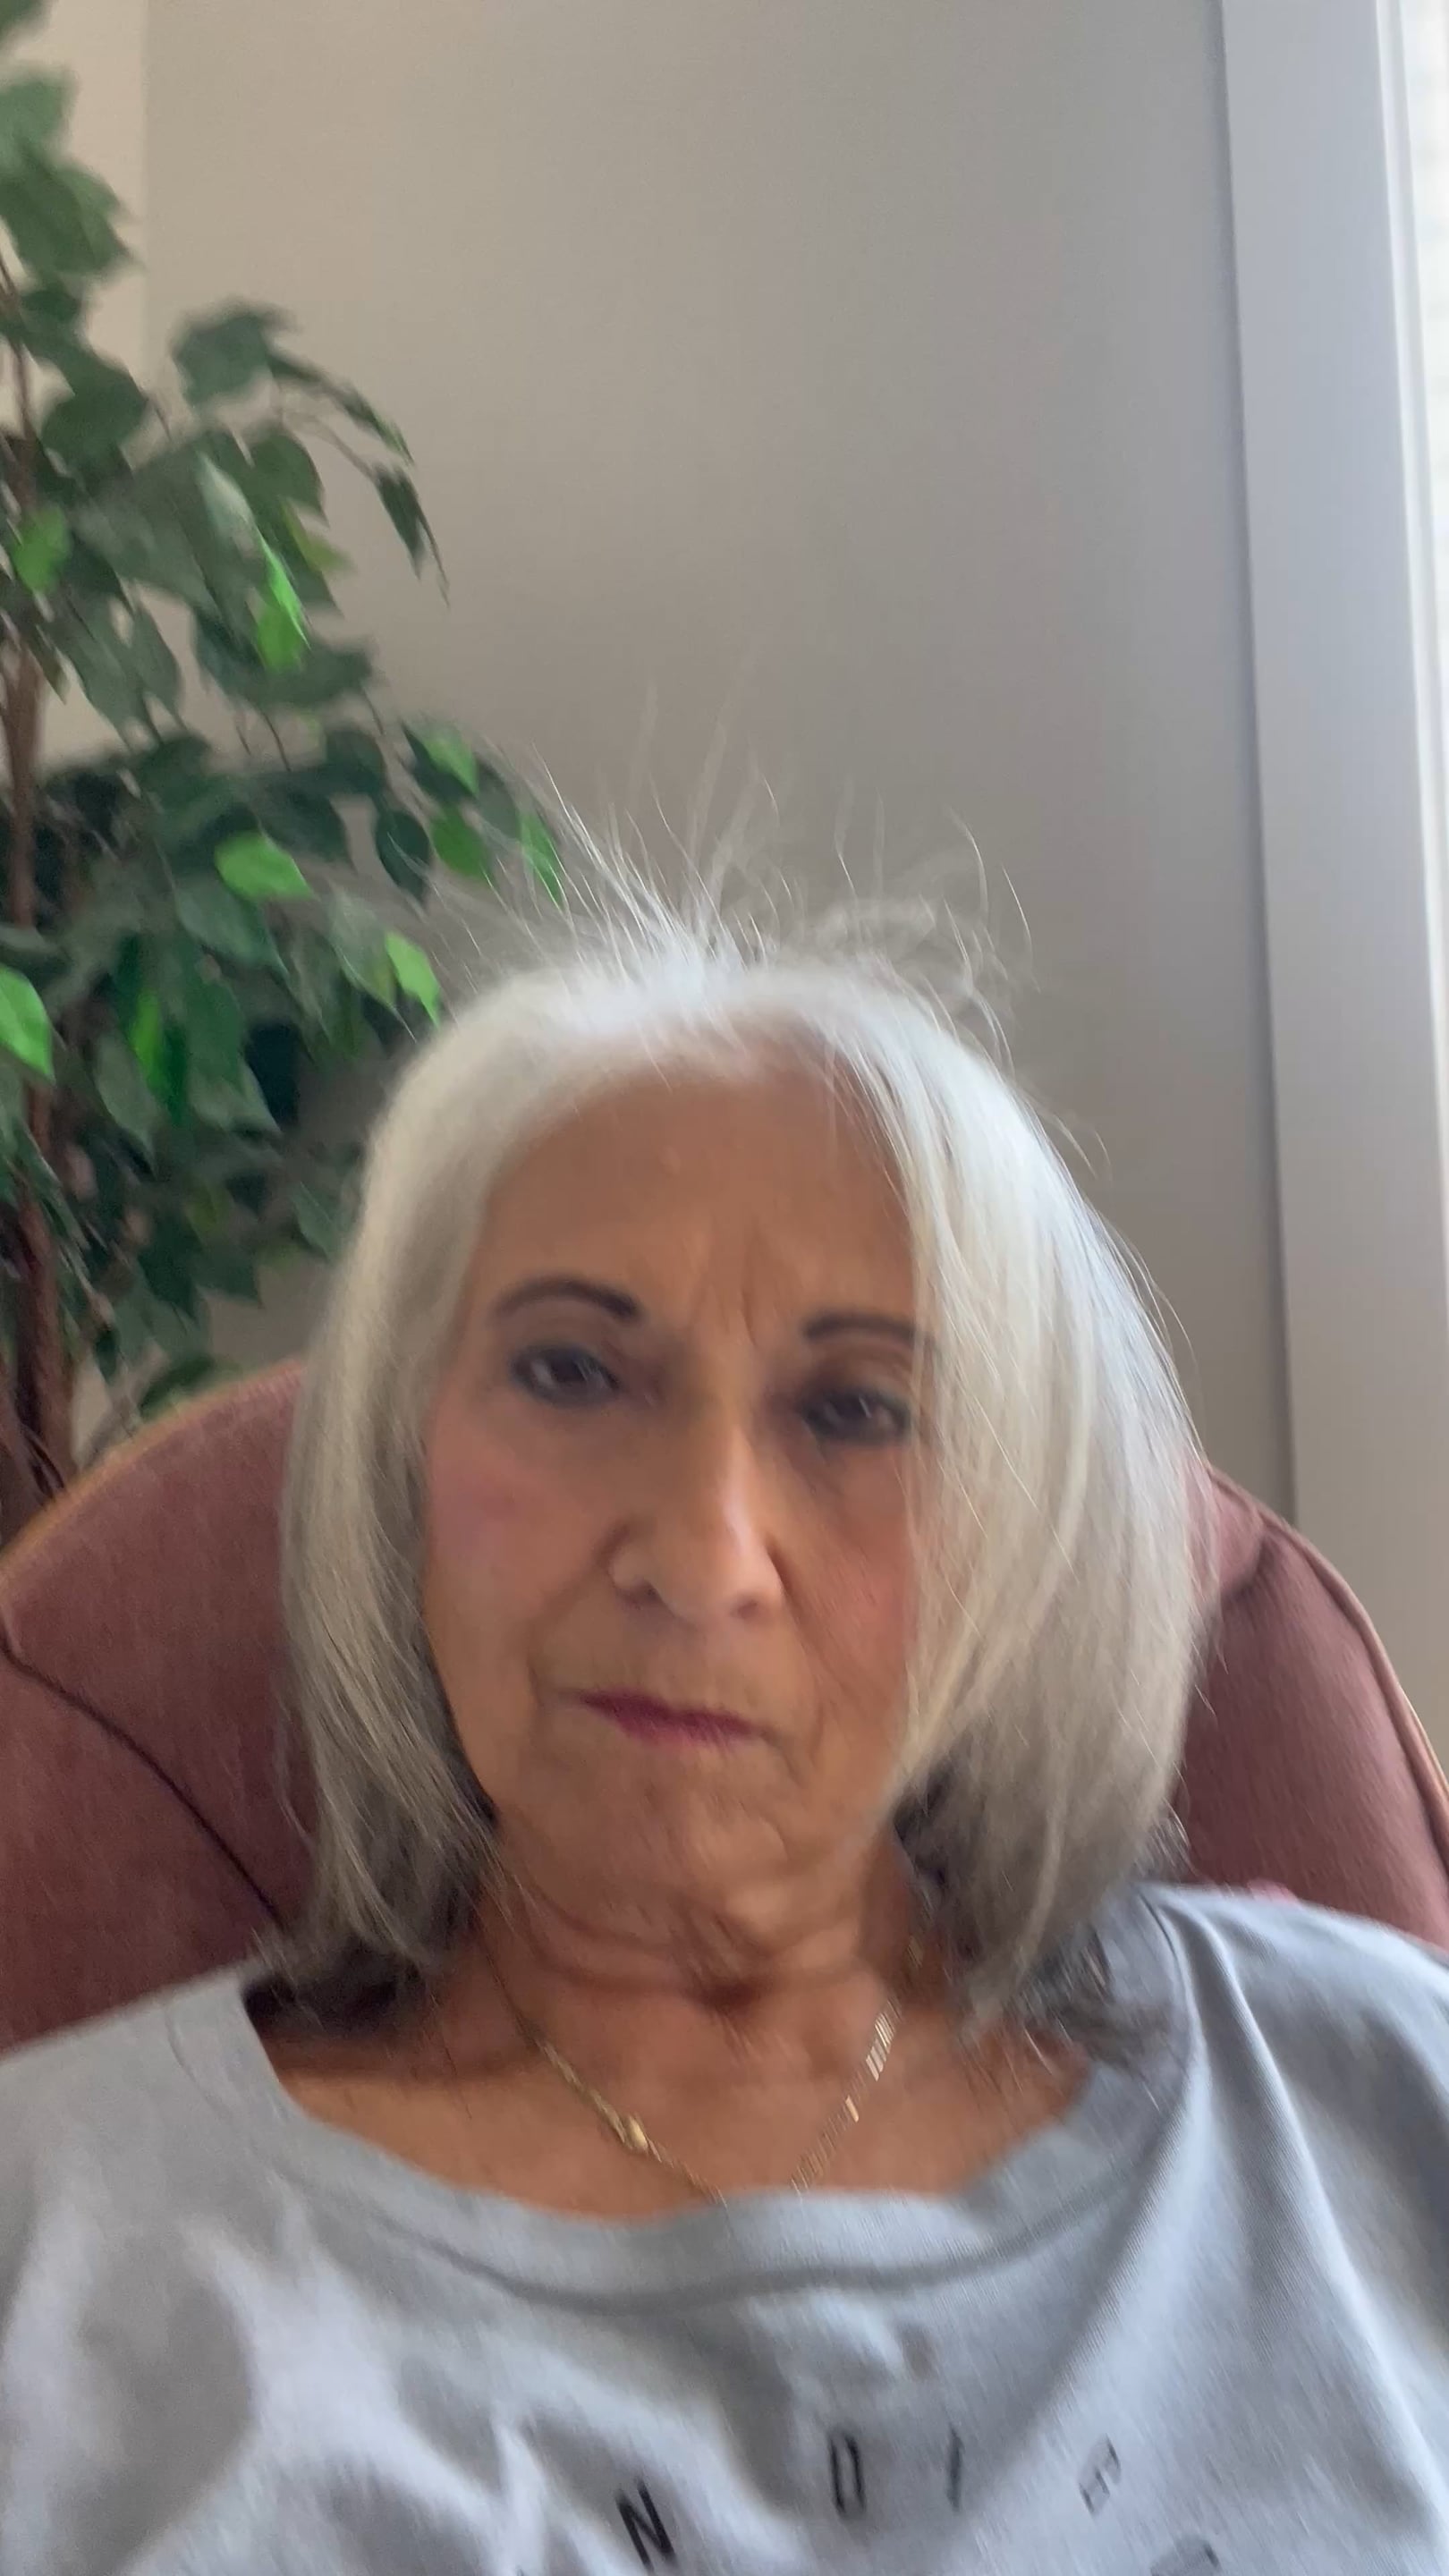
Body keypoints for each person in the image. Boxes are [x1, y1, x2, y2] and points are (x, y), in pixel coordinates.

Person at [1, 877, 1446, 2576]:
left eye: (858, 1409)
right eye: (569, 1372)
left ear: (1020, 1544)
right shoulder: (54, 2244)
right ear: (405, 1468)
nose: (700, 1559)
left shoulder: (1379, 2088)